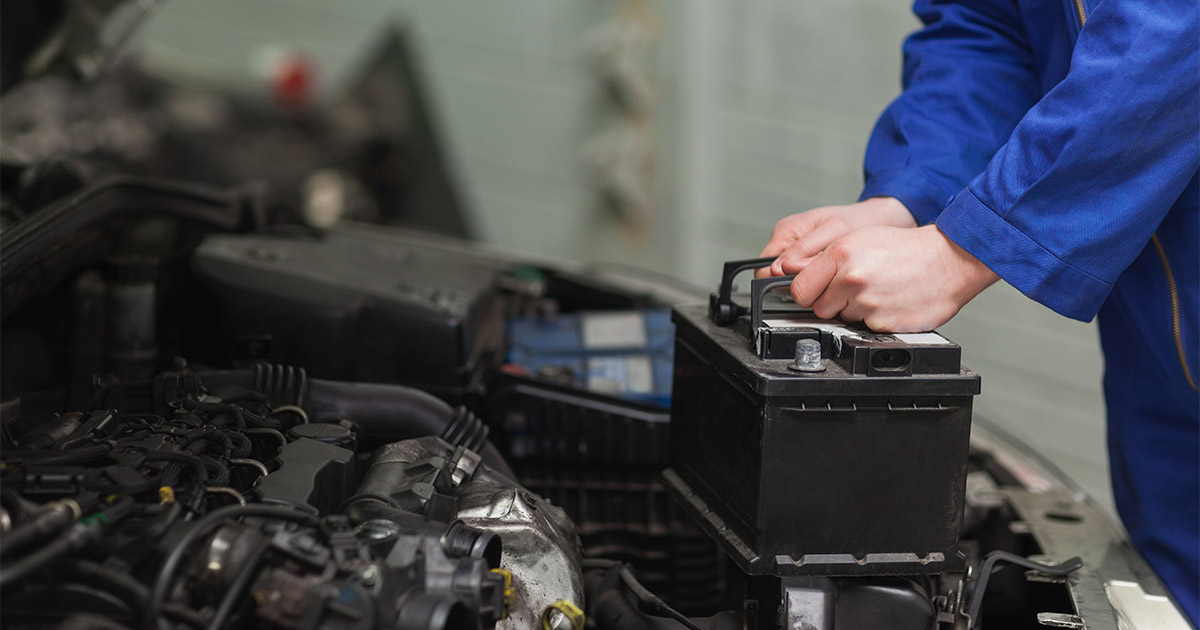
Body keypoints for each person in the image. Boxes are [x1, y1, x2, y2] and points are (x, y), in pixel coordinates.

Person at [757, 0, 1198, 622]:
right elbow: (987, 24)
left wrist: (960, 251)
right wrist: (911, 196)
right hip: (1167, 336)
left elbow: (1174, 39)